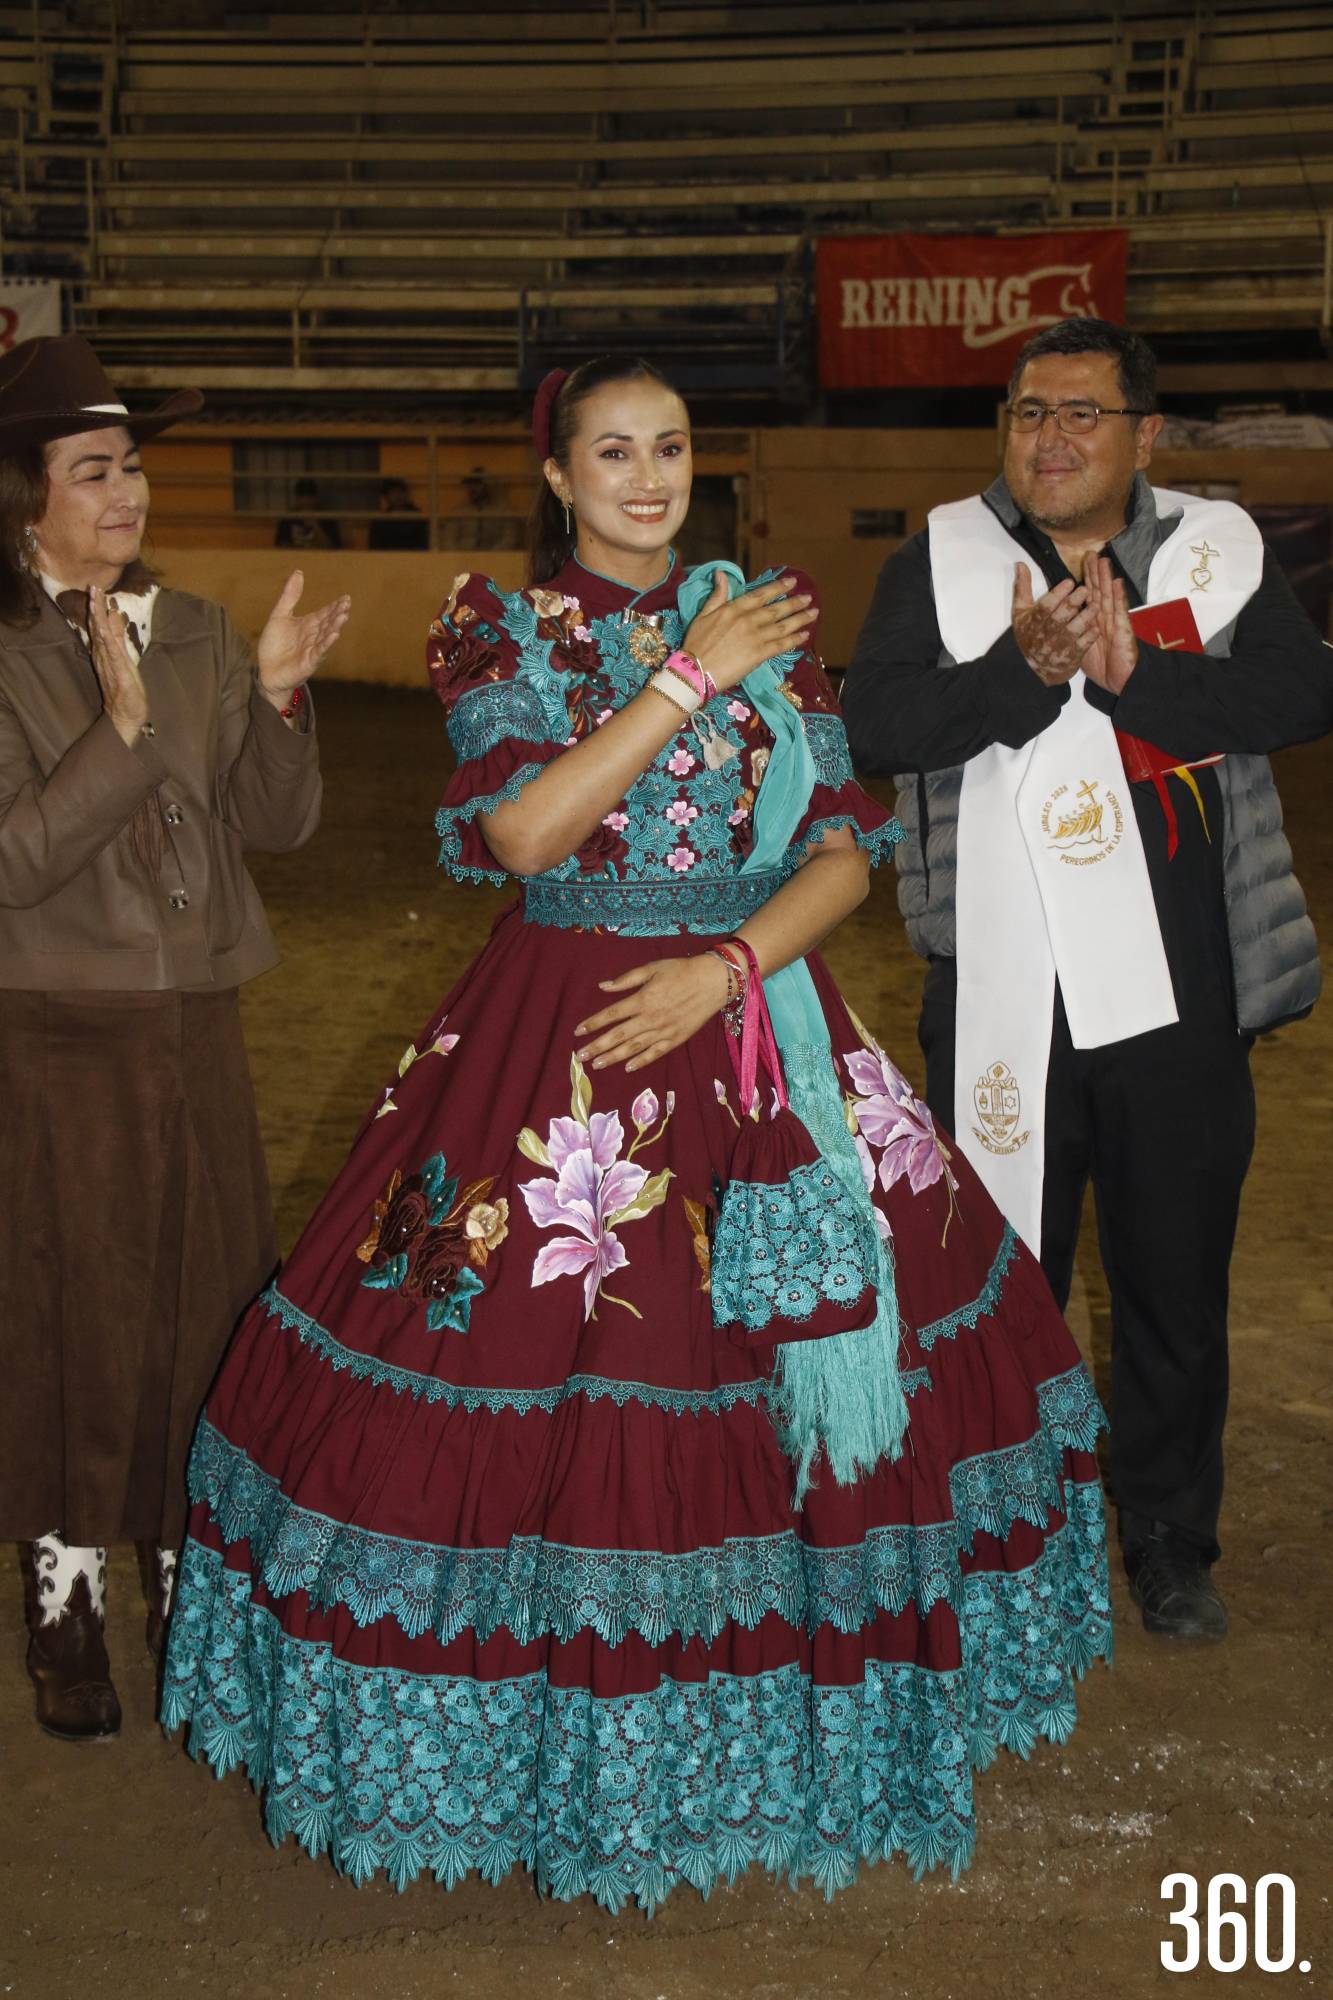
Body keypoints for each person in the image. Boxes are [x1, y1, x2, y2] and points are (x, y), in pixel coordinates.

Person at [162, 354, 1110, 1910]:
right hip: (566, 1040)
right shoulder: (505, 624)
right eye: (613, 453)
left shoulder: (768, 610)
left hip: (755, 1019)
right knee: (545, 1355)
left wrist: (730, 967)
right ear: (557, 476)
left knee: (820, 1365)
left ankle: (797, 1743)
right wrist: (684, 676)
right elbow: (520, 831)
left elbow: (843, 857)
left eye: (669, 448)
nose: (649, 479)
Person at [843, 317, 1333, 1643]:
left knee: (1175, 1279)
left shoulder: (1212, 556)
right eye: (1027, 413)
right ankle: (1007, 1528)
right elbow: (876, 728)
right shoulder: (940, 561)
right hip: (1002, 998)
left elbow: (1301, 695)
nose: (1050, 439)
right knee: (1003, 1277)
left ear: (1142, 433)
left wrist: (1137, 678)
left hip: (1188, 993)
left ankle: (1169, 1537)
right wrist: (1025, 674)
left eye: (1081, 414)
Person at [0, 333, 351, 1742]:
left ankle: (182, 1567)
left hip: (199, 1016)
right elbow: (12, 861)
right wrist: (128, 735)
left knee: (206, 1302)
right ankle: (65, 1583)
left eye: (132, 465)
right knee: (71, 1310)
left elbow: (276, 824)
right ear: (25, 493)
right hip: (55, 1028)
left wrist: (269, 697)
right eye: (94, 470)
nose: (126, 492)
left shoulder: (198, 625)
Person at [274, 477, 342, 551]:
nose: (305, 501)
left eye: (309, 497)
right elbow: (281, 548)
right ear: (296, 498)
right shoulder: (287, 520)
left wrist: (314, 525)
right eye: (302, 497)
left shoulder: (327, 519)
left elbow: (333, 550)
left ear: (316, 498)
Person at [366, 476, 429, 552]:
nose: (397, 495)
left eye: (400, 491)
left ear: (406, 494)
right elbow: (374, 548)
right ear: (386, 496)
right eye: (393, 492)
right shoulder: (380, 521)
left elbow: (423, 546)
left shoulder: (418, 518)